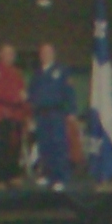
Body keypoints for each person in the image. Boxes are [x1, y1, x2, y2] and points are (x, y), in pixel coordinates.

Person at [28, 42, 75, 187]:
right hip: (41, 115)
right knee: (44, 146)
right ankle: (47, 174)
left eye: (48, 52)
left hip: (56, 113)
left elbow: (69, 92)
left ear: (53, 54)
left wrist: (71, 111)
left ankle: (61, 178)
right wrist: (31, 114)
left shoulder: (62, 71)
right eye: (42, 53)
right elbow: (32, 95)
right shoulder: (37, 74)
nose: (45, 55)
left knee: (58, 145)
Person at [0, 45, 28, 187]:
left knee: (15, 146)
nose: (9, 57)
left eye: (11, 54)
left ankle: (13, 174)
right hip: (3, 114)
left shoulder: (17, 72)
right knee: (3, 146)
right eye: (6, 53)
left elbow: (22, 90)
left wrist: (25, 107)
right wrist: (17, 97)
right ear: (0, 55)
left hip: (17, 115)